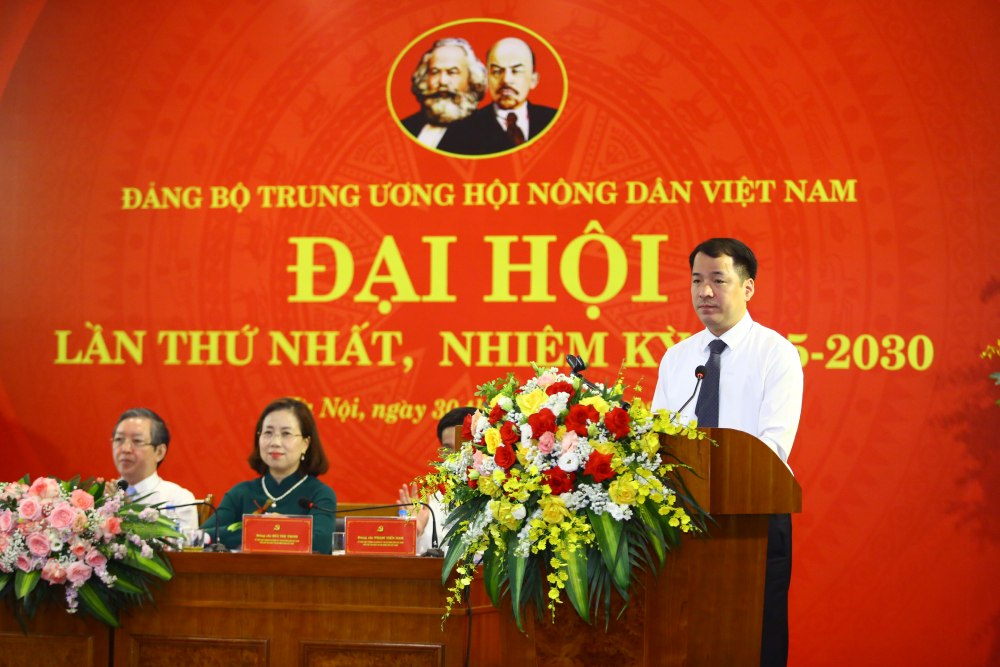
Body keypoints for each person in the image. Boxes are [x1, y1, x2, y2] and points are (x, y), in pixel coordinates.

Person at [650, 238, 803, 667]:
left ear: (747, 287)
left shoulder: (776, 354)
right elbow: (658, 441)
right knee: (687, 636)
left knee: (753, 638)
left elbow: (773, 445)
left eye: (718, 280)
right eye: (697, 280)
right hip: (684, 517)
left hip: (752, 517)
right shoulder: (678, 358)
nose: (705, 292)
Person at [201, 398, 336, 554]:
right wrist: (261, 527)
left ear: (305, 444)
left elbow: (321, 542)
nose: (275, 442)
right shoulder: (241, 493)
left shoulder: (320, 494)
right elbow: (202, 536)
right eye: (268, 433)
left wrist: (262, 530)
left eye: (286, 434)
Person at [441, 36, 558, 155]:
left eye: (516, 71)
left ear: (533, 80)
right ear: (486, 78)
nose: (506, 80)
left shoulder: (555, 121)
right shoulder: (462, 130)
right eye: (497, 71)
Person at [398, 406, 477, 555]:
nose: (454, 455)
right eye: (448, 449)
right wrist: (415, 533)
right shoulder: (430, 508)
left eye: (462, 446)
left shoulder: (501, 502)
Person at [111, 407, 198, 532]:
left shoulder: (178, 500)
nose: (125, 449)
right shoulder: (99, 498)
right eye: (119, 439)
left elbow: (182, 543)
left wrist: (128, 511)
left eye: (137, 441)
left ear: (159, 452)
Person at [401, 37, 487, 150]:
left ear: (471, 79)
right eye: (435, 72)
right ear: (425, 78)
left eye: (452, 72)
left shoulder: (486, 133)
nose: (442, 81)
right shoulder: (406, 126)